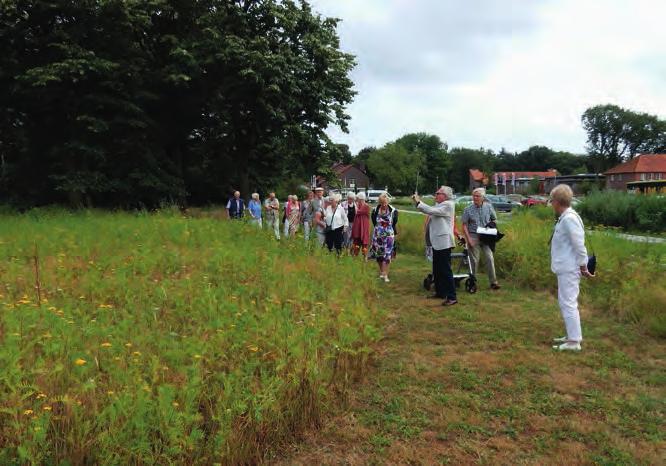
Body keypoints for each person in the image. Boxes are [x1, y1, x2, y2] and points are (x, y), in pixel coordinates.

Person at [550, 184, 594, 351]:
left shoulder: (569, 218)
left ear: (557, 201)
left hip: (569, 268)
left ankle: (574, 342)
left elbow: (579, 245)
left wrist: (584, 266)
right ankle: (571, 335)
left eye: (551, 200)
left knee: (568, 303)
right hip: (565, 267)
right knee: (566, 302)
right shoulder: (566, 216)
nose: (551, 204)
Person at [413, 186, 457, 306]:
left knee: (445, 270)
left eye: (438, 193)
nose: (435, 195)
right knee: (437, 269)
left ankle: (452, 296)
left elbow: (431, 211)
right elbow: (429, 210)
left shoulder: (448, 204)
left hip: (444, 242)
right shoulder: (440, 204)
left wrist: (418, 202)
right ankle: (440, 292)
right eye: (436, 192)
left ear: (445, 195)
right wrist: (418, 203)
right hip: (437, 242)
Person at [461, 188, 500, 290]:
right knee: (474, 260)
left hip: (486, 236)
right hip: (473, 235)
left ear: (483, 197)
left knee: (489, 258)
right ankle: (472, 281)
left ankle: (493, 282)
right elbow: (464, 225)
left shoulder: (488, 207)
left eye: (477, 196)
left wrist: (491, 225)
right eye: (474, 196)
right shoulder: (468, 209)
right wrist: (468, 239)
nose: (475, 198)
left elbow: (494, 219)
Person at [369, 192, 398, 282]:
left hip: (388, 236)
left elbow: (394, 222)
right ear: (379, 202)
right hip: (377, 236)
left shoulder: (393, 211)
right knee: (379, 255)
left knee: (387, 254)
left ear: (388, 201)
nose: (384, 205)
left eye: (385, 203)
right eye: (382, 203)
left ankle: (386, 274)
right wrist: (379, 230)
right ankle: (382, 272)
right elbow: (374, 221)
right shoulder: (375, 210)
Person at [351, 192, 371, 257]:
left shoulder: (366, 206)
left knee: (364, 243)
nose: (356, 200)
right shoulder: (358, 205)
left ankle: (365, 258)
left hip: (364, 227)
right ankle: (355, 256)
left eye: (357, 199)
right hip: (358, 228)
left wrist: (355, 205)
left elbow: (358, 212)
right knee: (356, 242)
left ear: (361, 199)